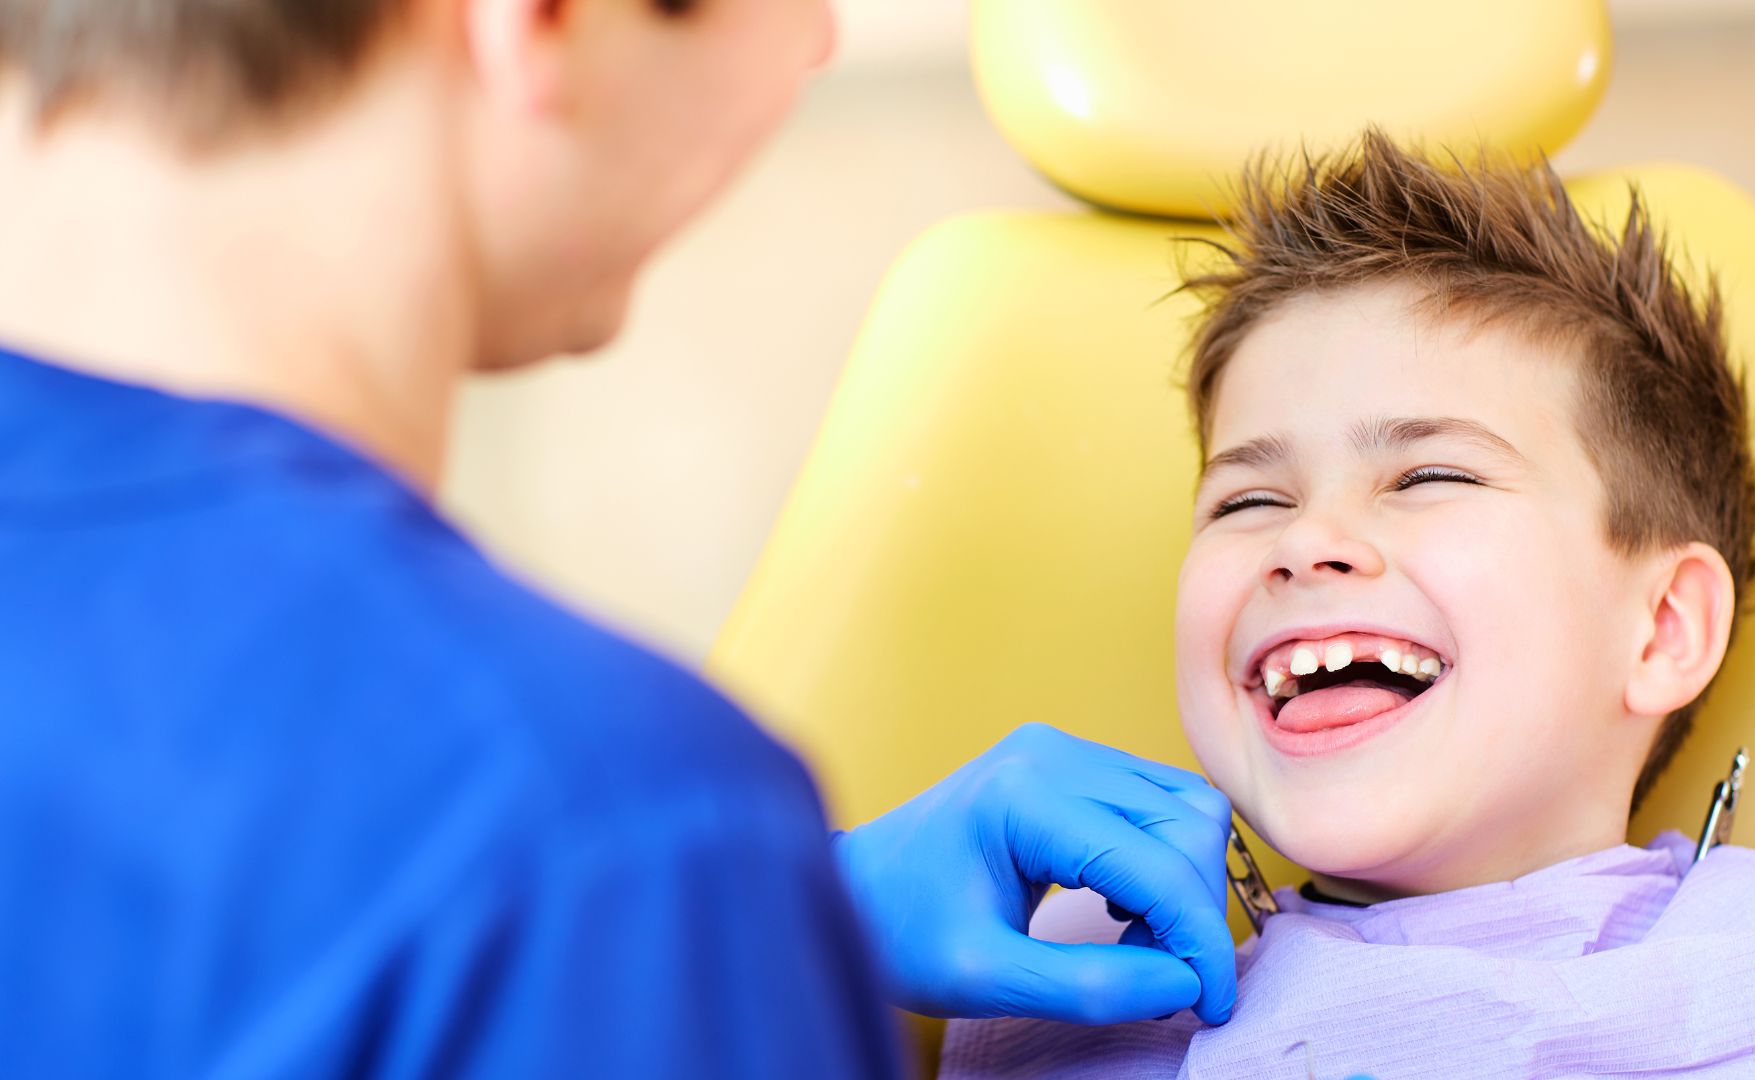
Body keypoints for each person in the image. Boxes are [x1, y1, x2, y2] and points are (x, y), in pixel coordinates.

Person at [0, 1, 1241, 1076]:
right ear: (543, 18)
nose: (816, 39)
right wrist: (668, 928)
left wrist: (795, 915)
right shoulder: (596, 825)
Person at [940, 132, 1755, 1078]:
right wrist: (811, 918)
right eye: (1249, 500)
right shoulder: (1078, 1012)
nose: (1303, 541)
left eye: (1428, 476)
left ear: (1663, 628)